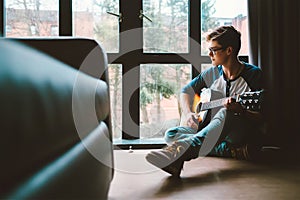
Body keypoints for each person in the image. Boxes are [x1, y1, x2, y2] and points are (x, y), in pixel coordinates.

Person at [145, 25, 265, 177]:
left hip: (239, 134)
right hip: (210, 131)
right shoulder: (212, 73)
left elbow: (261, 118)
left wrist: (241, 110)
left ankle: (179, 154)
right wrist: (188, 114)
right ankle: (232, 152)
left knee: (226, 113)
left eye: (214, 50)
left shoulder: (254, 75)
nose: (209, 54)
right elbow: (185, 91)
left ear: (229, 50)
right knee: (171, 134)